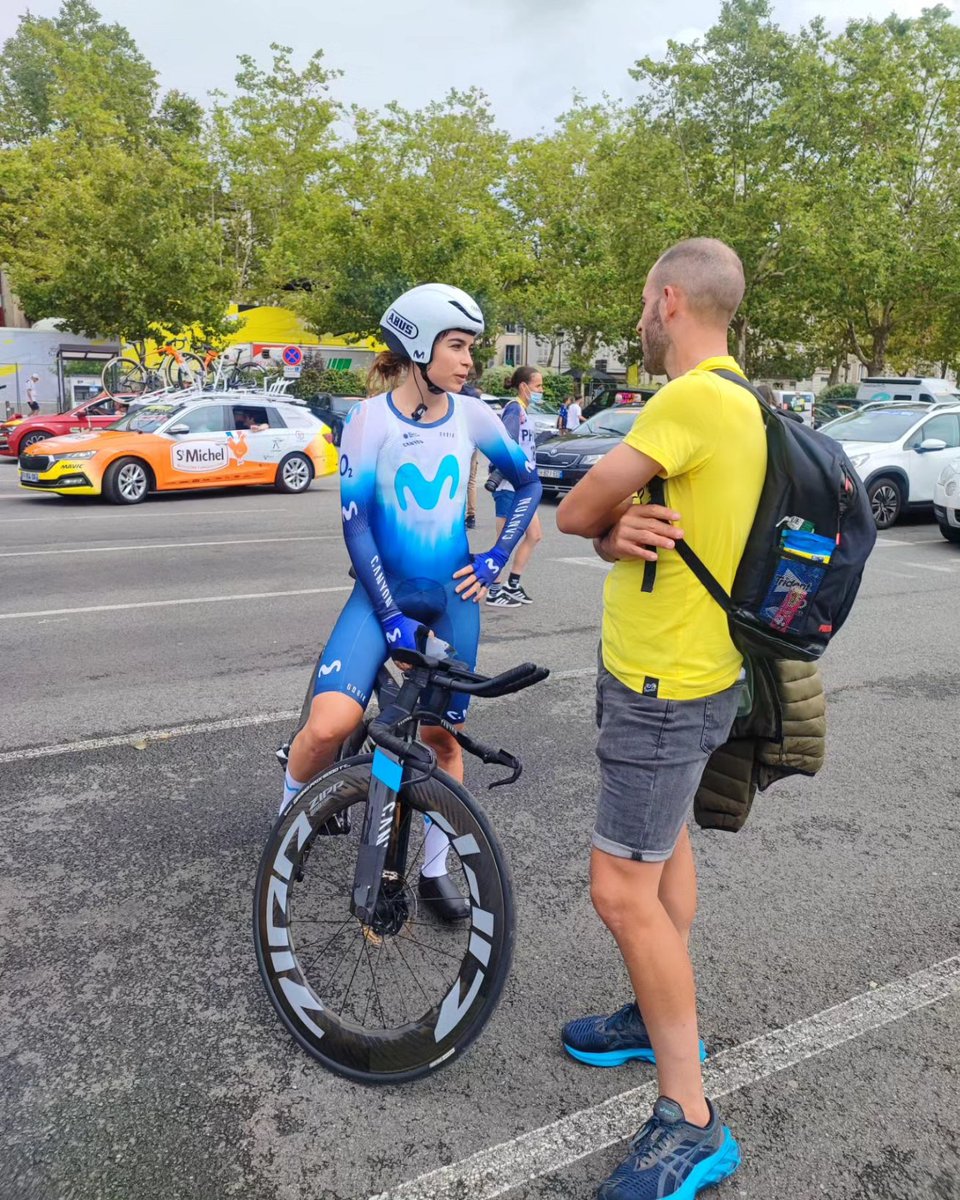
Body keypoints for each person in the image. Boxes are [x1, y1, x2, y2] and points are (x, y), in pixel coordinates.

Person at [556, 237, 766, 1200]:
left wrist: (602, 526)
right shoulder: (745, 402)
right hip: (695, 674)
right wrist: (617, 537)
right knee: (663, 851)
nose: (641, 318)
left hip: (664, 688)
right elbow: (634, 529)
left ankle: (692, 1118)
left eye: (645, 302)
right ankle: (652, 1020)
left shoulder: (685, 401)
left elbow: (578, 509)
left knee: (620, 892)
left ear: (670, 299)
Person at [281, 284, 541, 920]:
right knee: (330, 725)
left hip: (452, 596)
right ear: (419, 347)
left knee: (442, 740)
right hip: (382, 592)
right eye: (457, 346)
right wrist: (390, 615)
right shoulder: (367, 420)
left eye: (472, 348)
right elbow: (357, 524)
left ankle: (432, 868)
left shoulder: (474, 415)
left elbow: (529, 484)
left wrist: (494, 558)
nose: (469, 361)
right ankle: (286, 826)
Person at [485, 365, 543, 608]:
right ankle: (493, 589)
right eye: (538, 386)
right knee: (503, 540)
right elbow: (506, 444)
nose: (541, 390)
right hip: (509, 485)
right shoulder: (513, 410)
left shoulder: (523, 411)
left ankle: (512, 584)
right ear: (524, 386)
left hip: (524, 486)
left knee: (534, 535)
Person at [461, 373, 482, 529]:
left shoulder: (449, 394)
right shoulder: (474, 395)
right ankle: (471, 515)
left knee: (457, 479)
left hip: (454, 440)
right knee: (471, 480)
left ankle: (456, 514)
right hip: (472, 440)